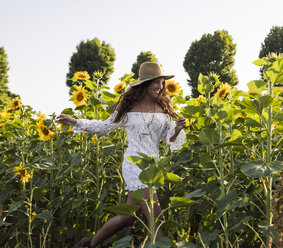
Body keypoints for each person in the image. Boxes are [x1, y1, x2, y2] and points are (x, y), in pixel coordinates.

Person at [57, 62, 186, 248]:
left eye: (162, 82)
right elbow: (104, 127)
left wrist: (177, 129)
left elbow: (168, 138)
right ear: (144, 84)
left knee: (128, 217)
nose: (160, 86)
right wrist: (76, 121)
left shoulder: (163, 107)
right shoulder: (128, 107)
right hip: (135, 164)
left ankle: (88, 244)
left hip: (154, 166)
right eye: (155, 82)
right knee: (156, 217)